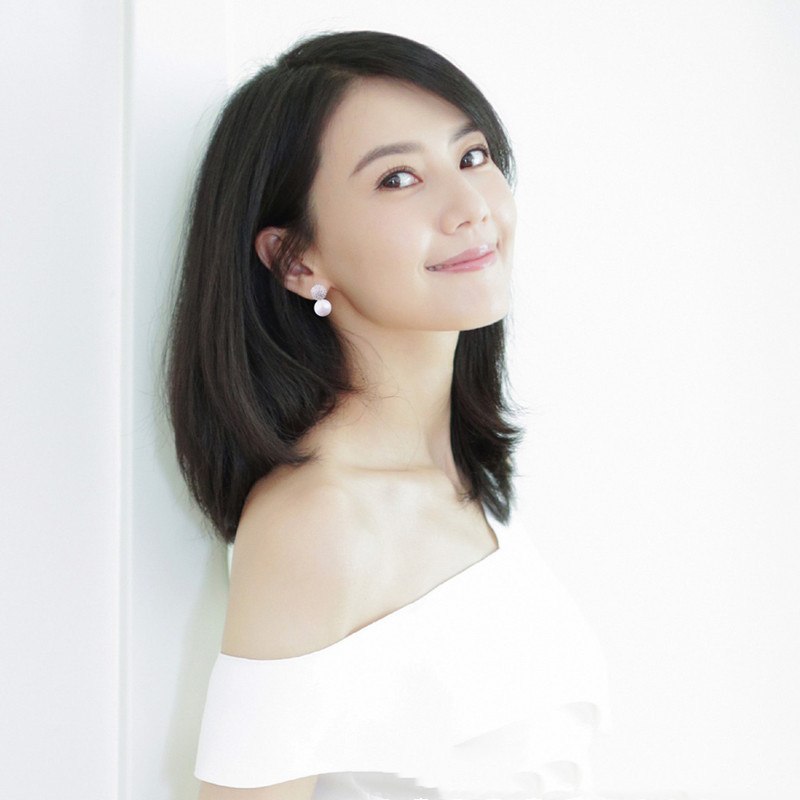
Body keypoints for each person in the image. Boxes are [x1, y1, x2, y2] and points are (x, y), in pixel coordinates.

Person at [166, 30, 611, 800]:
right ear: (296, 260)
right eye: (399, 178)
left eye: (472, 156)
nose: (470, 207)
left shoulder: (461, 486)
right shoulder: (320, 520)